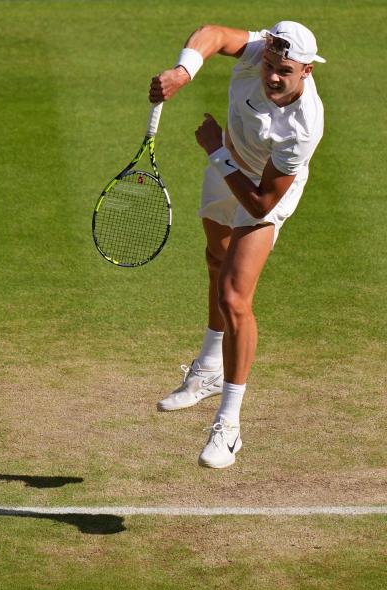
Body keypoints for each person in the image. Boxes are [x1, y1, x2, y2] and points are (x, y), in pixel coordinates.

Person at [149, 22, 325, 468]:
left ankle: (228, 426)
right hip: (228, 164)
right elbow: (212, 34)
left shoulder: (302, 127)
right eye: (268, 64)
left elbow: (261, 202)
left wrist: (215, 152)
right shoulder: (258, 52)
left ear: (305, 71)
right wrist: (183, 72)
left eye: (283, 70)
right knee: (215, 259)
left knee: (234, 296)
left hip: (263, 188)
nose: (271, 76)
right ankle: (208, 368)